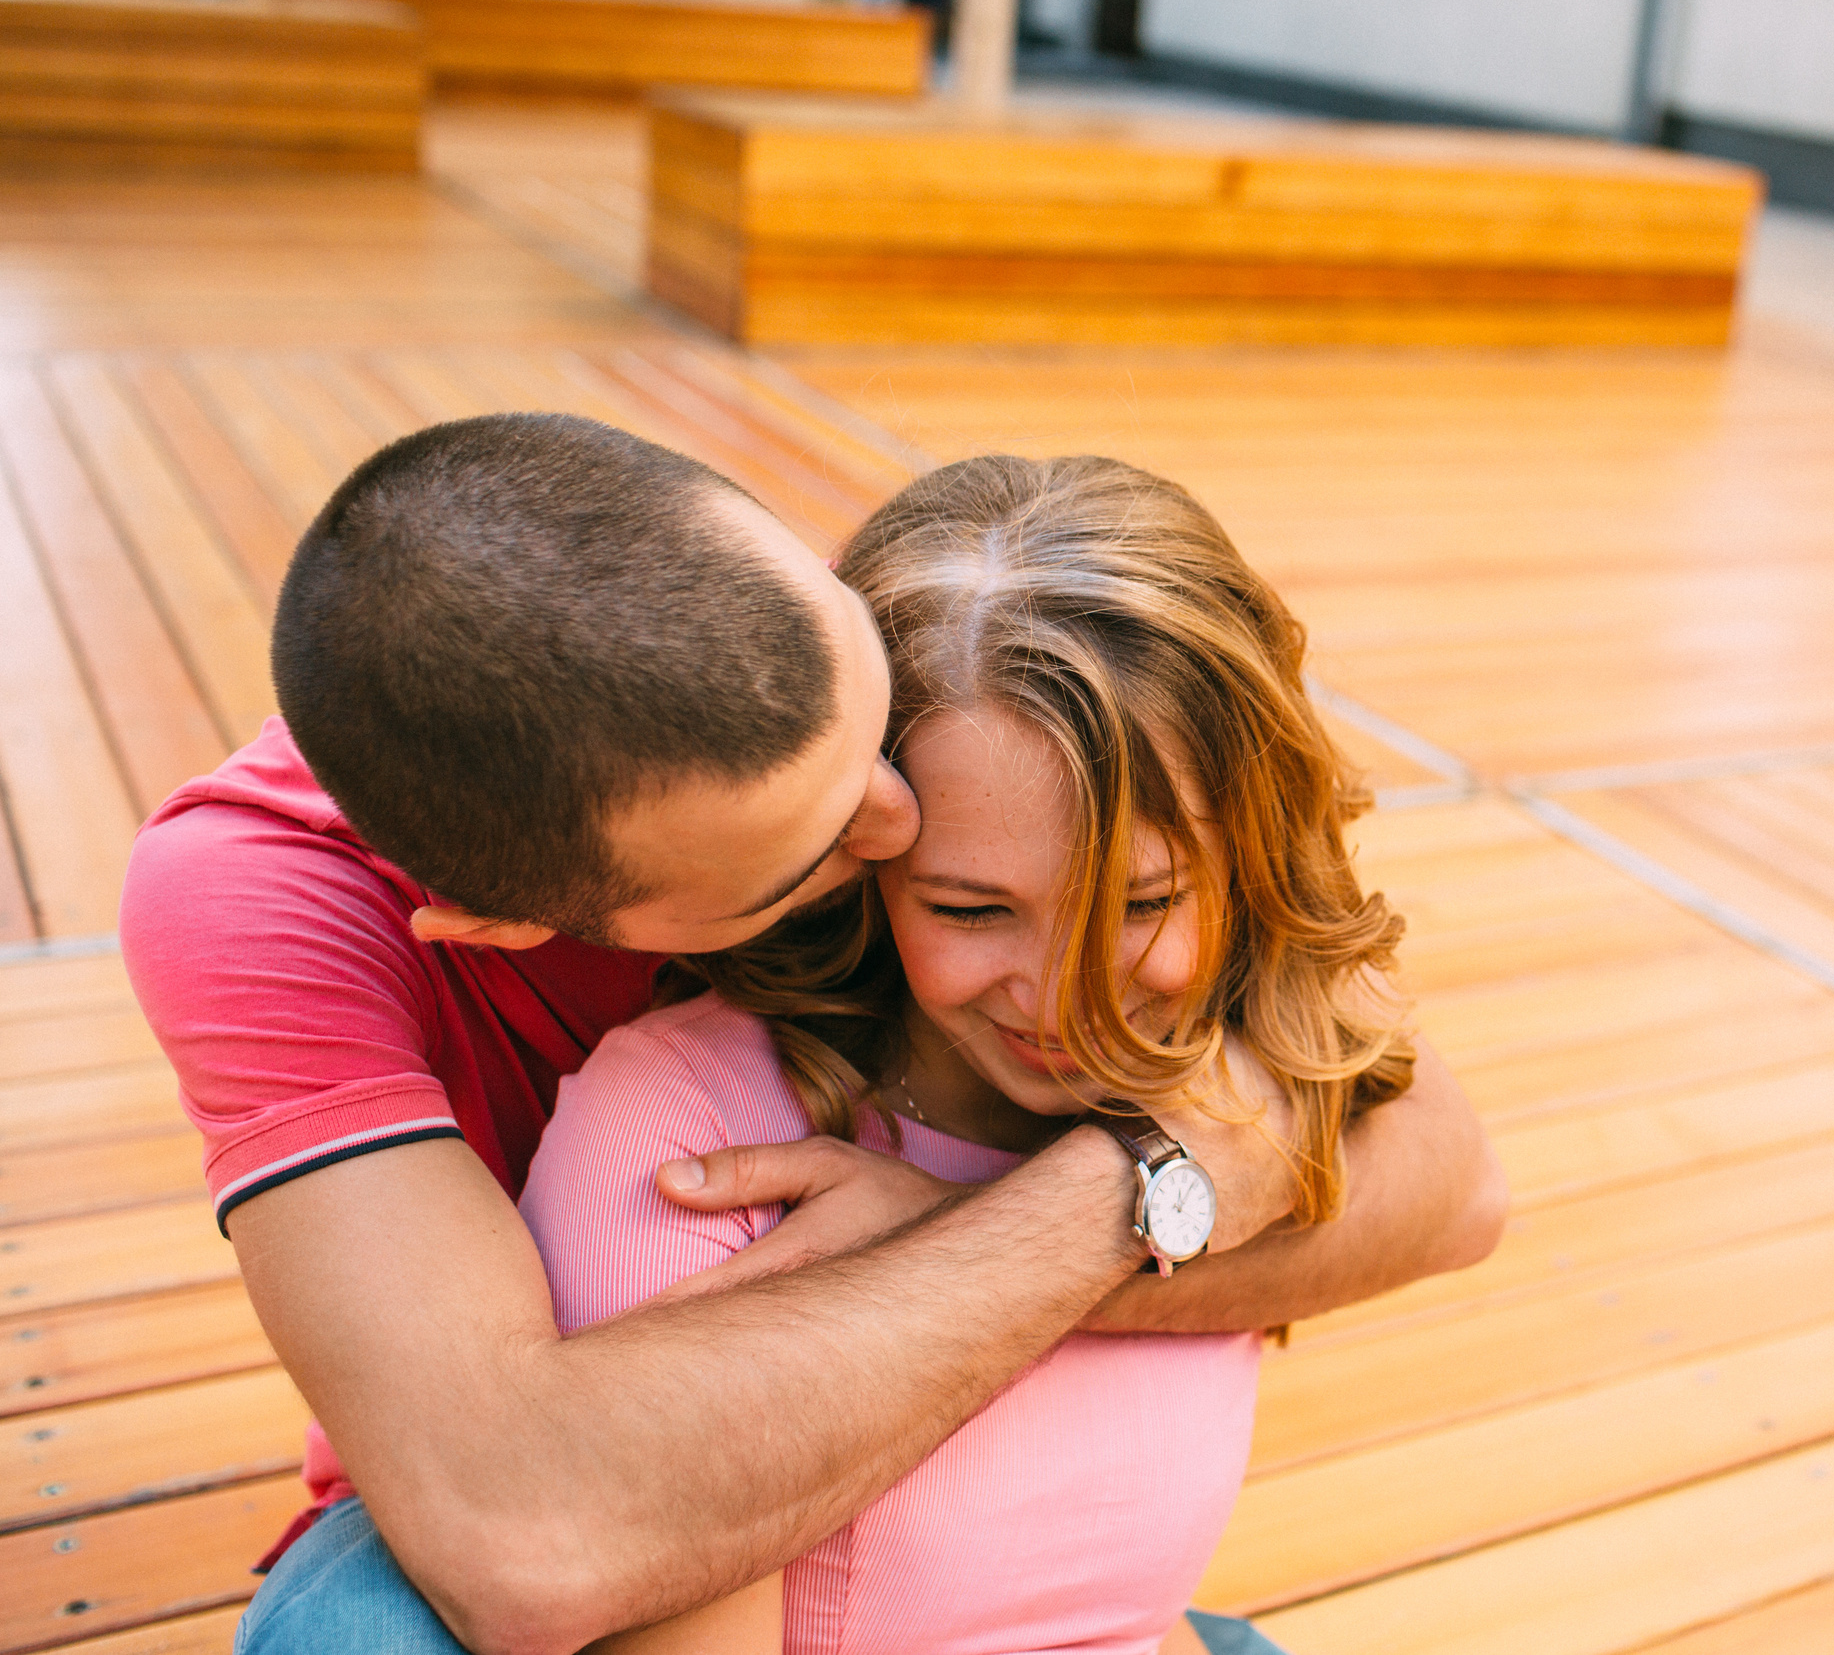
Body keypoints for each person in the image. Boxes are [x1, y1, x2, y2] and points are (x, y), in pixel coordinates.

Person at [118, 415, 1508, 1655]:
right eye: (833, 850)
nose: (898, 815)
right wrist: (1122, 1191)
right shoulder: (269, 900)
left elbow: (1441, 1173)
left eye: (869, 716)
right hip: (535, 1475)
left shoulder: (819, 665)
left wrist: (1009, 1213)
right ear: (520, 922)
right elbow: (524, 1528)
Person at [523, 454, 1425, 1654]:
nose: (1070, 1003)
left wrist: (960, 1216)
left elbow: (1465, 1190)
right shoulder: (685, 1130)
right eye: (969, 908)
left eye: (1142, 901)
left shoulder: (1236, 1075)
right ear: (860, 854)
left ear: (1249, 854)